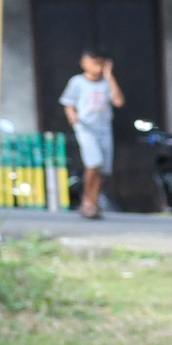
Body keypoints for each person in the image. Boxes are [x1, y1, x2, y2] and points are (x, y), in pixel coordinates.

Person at [59, 47, 124, 219]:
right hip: (85, 128)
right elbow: (67, 103)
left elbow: (118, 101)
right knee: (94, 162)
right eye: (94, 62)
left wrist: (109, 76)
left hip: (104, 129)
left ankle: (94, 202)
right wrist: (73, 117)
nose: (97, 67)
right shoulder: (77, 82)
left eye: (100, 63)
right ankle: (87, 201)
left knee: (102, 169)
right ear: (84, 63)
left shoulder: (106, 83)